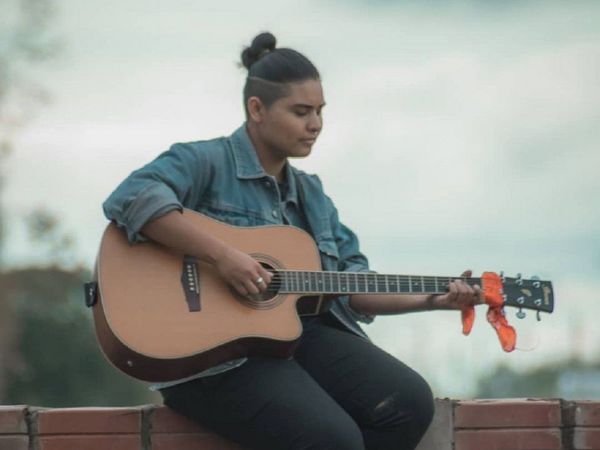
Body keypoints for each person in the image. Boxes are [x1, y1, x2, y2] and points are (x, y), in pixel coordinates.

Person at [103, 32, 484, 450]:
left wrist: (434, 298)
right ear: (257, 109)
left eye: (320, 111)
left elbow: (353, 284)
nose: (315, 124)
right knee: (331, 439)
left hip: (293, 341)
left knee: (408, 404)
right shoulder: (206, 162)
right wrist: (224, 257)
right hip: (211, 358)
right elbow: (132, 195)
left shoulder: (313, 196)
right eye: (301, 111)